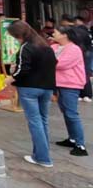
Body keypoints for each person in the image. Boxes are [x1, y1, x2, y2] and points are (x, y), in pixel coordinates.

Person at [5, 20, 57, 168]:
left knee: (35, 121)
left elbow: (23, 69)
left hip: (29, 88)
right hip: (47, 87)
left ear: (18, 35)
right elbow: (54, 64)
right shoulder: (46, 46)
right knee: (42, 120)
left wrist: (11, 78)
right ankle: (40, 154)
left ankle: (43, 157)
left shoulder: (26, 47)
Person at [51, 26, 88, 156]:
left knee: (71, 113)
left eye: (55, 32)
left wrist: (46, 61)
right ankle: (72, 139)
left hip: (70, 84)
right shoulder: (54, 47)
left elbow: (61, 64)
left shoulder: (74, 49)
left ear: (64, 35)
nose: (53, 34)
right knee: (66, 112)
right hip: (58, 83)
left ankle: (80, 145)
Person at [72, 16, 93, 102]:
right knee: (85, 72)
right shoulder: (87, 30)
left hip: (82, 52)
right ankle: (87, 94)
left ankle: (82, 93)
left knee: (80, 72)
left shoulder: (77, 31)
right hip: (88, 52)